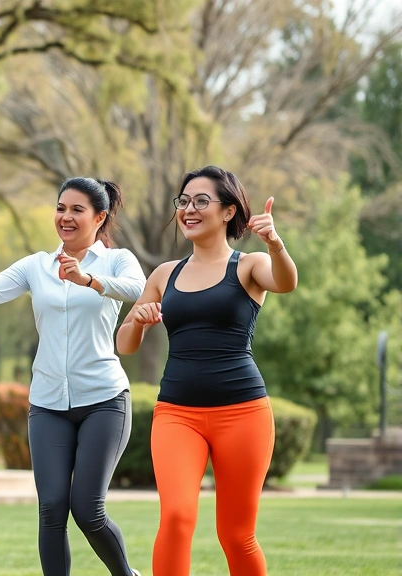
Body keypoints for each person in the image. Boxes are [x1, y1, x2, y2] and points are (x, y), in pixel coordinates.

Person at [116, 165, 298, 576]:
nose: (188, 209)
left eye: (201, 201)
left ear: (229, 211)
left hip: (243, 413)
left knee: (236, 535)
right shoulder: (165, 273)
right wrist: (137, 321)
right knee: (177, 519)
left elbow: (285, 282)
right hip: (177, 414)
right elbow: (124, 345)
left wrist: (274, 243)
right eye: (183, 201)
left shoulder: (249, 265)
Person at [0, 177, 145, 576]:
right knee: (51, 509)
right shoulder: (36, 266)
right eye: (61, 208)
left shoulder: (117, 260)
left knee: (88, 510)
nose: (66, 217)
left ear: (100, 216)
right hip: (47, 405)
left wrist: (88, 280)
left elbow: (136, 289)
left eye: (77, 209)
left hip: (104, 401)